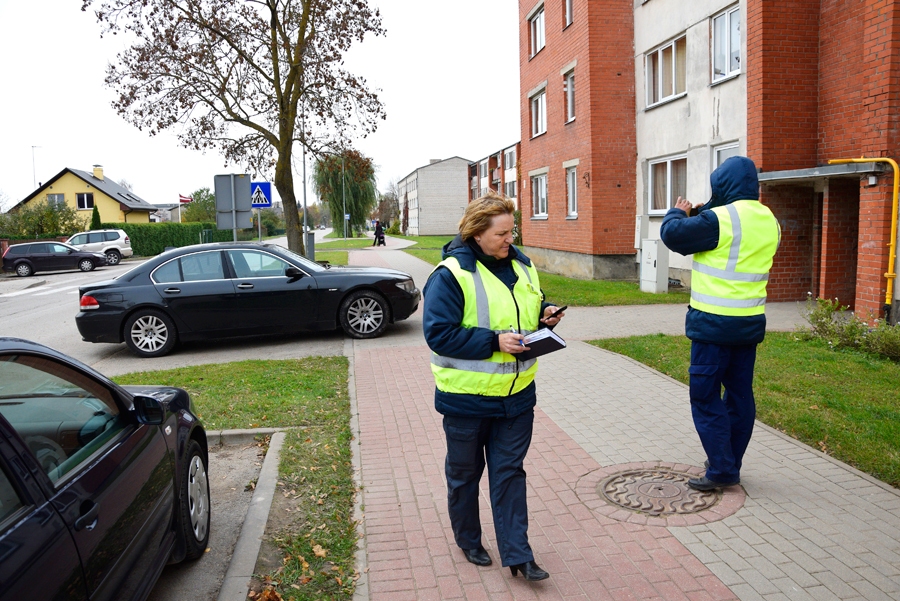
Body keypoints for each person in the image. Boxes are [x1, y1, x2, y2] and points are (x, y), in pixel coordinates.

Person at [423, 191, 564, 581]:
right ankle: (469, 539)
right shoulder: (451, 275)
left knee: (509, 473)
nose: (509, 239)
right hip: (466, 401)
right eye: (502, 233)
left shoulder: (523, 265)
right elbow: (438, 334)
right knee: (465, 475)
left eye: (511, 231)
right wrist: (493, 342)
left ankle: (519, 555)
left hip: (517, 399)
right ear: (477, 233)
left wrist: (544, 314)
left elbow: (526, 306)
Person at [660, 156, 780, 491]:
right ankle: (729, 460)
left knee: (705, 395)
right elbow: (726, 240)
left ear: (722, 185)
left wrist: (679, 211)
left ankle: (723, 470)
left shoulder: (720, 220)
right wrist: (707, 211)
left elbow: (673, 235)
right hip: (748, 325)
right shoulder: (770, 220)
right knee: (740, 396)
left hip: (713, 328)